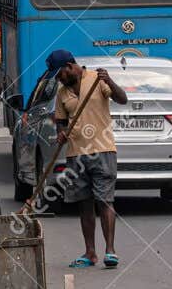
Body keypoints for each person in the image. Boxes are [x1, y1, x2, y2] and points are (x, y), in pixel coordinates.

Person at [47, 49, 127, 270]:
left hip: (102, 149)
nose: (58, 78)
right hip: (76, 154)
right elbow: (61, 124)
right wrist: (60, 134)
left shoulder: (97, 79)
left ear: (70, 66)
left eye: (60, 74)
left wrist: (109, 80)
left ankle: (110, 250)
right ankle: (90, 252)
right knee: (85, 204)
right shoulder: (62, 94)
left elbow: (122, 99)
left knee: (104, 200)